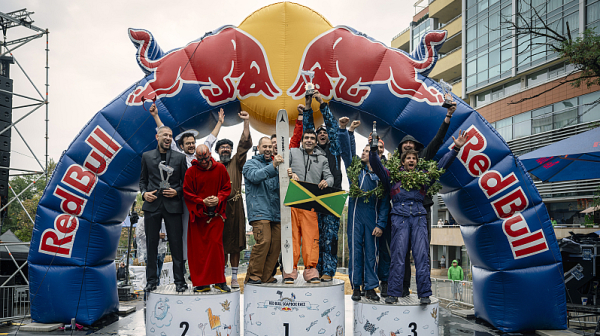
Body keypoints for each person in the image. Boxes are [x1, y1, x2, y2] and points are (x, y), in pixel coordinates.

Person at [370, 130, 468, 304]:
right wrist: (372, 149)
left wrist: (455, 149)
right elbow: (377, 166)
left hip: (419, 218)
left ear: (417, 161)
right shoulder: (392, 176)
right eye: (408, 158)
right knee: (398, 255)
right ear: (402, 160)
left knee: (422, 255)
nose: (411, 160)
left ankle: (424, 294)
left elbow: (441, 167)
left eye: (414, 158)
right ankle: (393, 293)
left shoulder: (424, 176)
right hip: (399, 218)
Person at [149, 104, 219, 264]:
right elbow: (167, 138)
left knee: (204, 230)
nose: (191, 145)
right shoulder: (179, 156)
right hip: (185, 200)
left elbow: (210, 139)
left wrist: (220, 122)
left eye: (193, 143)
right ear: (182, 146)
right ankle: (185, 264)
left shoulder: (201, 155)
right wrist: (155, 116)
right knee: (185, 231)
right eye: (188, 143)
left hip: (203, 201)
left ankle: (204, 262)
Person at [290, 91, 342, 283]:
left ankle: (328, 269)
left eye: (324, 133)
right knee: (314, 236)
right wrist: (308, 104)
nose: (320, 135)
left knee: (330, 236)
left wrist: (323, 105)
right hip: (311, 194)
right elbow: (308, 129)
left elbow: (333, 128)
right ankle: (314, 269)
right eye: (318, 134)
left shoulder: (334, 148)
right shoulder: (313, 149)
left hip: (332, 194)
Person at [338, 116, 390, 301]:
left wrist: (381, 224)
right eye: (364, 150)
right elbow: (346, 151)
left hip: (372, 219)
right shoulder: (355, 171)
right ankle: (356, 287)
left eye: (369, 150)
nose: (365, 153)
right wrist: (344, 130)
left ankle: (370, 288)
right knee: (355, 254)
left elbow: (384, 202)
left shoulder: (382, 175)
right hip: (354, 218)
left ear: (375, 154)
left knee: (371, 255)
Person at [139, 125, 188, 293]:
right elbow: (142, 181)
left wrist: (177, 191)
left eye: (170, 135)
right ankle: (152, 281)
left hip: (173, 204)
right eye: (165, 135)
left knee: (176, 245)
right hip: (152, 205)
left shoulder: (180, 158)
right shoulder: (146, 156)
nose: (168, 137)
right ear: (157, 137)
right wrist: (144, 194)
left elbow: (186, 183)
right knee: (151, 245)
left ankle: (180, 281)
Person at [285, 126, 334, 284]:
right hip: (292, 198)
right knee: (292, 236)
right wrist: (290, 173)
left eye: (312, 139)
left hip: (310, 201)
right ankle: (289, 270)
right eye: (306, 138)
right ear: (302, 140)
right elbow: (284, 168)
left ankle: (310, 270)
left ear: (315, 142)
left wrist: (327, 182)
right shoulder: (292, 153)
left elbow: (330, 176)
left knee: (310, 237)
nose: (309, 141)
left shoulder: (323, 158)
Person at [211, 110, 252, 289]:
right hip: (217, 210)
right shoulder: (212, 165)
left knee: (235, 244)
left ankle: (234, 277)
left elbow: (244, 144)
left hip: (235, 208)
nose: (226, 149)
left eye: (228, 146)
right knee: (219, 244)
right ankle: (220, 276)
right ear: (218, 151)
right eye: (222, 147)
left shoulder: (237, 162)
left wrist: (246, 122)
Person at [183, 144, 232, 293]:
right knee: (198, 251)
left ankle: (219, 281)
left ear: (210, 154)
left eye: (206, 158)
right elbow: (187, 192)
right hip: (198, 217)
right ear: (196, 158)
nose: (203, 162)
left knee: (216, 249)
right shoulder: (191, 172)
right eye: (200, 159)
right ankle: (201, 283)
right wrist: (201, 201)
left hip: (215, 216)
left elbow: (226, 187)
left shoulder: (220, 169)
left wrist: (219, 198)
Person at [243, 137, 284, 284]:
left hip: (276, 213)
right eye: (264, 146)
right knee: (264, 241)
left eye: (270, 146)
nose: (267, 149)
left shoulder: (278, 165)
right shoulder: (250, 164)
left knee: (275, 245)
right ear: (258, 147)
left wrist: (288, 175)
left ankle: (266, 276)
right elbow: (255, 177)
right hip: (260, 212)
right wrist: (274, 165)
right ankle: (253, 276)